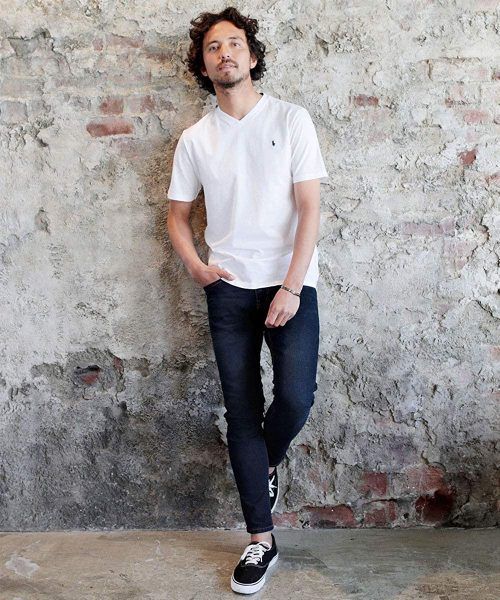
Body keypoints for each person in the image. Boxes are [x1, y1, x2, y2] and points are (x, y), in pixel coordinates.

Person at [167, 6, 328, 595]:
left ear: (252, 56)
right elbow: (177, 215)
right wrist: (198, 268)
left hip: (291, 283)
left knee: (296, 397)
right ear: (203, 65)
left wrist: (290, 285)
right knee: (241, 411)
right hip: (228, 289)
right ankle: (261, 539)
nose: (224, 53)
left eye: (234, 43)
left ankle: (264, 464)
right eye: (213, 47)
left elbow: (310, 208)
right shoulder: (196, 139)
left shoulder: (291, 119)